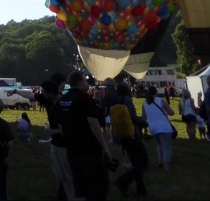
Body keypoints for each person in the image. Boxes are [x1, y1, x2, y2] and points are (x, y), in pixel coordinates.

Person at [58, 70, 114, 201]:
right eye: (85, 80)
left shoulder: (63, 100)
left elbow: (60, 125)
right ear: (80, 82)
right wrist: (104, 146)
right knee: (96, 186)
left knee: (79, 187)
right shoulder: (84, 99)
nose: (87, 83)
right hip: (89, 150)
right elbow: (93, 123)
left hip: (72, 150)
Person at [37, 79, 75, 201]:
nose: (42, 93)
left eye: (43, 91)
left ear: (50, 93)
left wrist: (50, 131)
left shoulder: (62, 105)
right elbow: (32, 95)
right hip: (55, 144)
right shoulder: (49, 102)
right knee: (61, 176)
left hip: (64, 146)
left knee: (69, 176)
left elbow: (65, 130)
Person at [112, 82, 149, 198]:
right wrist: (142, 121)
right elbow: (132, 115)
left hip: (122, 135)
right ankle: (123, 181)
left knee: (135, 162)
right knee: (143, 162)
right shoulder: (127, 100)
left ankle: (141, 189)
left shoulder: (115, 100)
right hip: (132, 133)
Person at [141, 86, 175, 170]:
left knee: (159, 145)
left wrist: (145, 129)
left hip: (153, 127)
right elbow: (171, 113)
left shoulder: (144, 104)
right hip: (164, 126)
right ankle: (166, 166)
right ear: (156, 92)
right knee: (166, 146)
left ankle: (160, 162)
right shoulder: (161, 101)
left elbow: (144, 118)